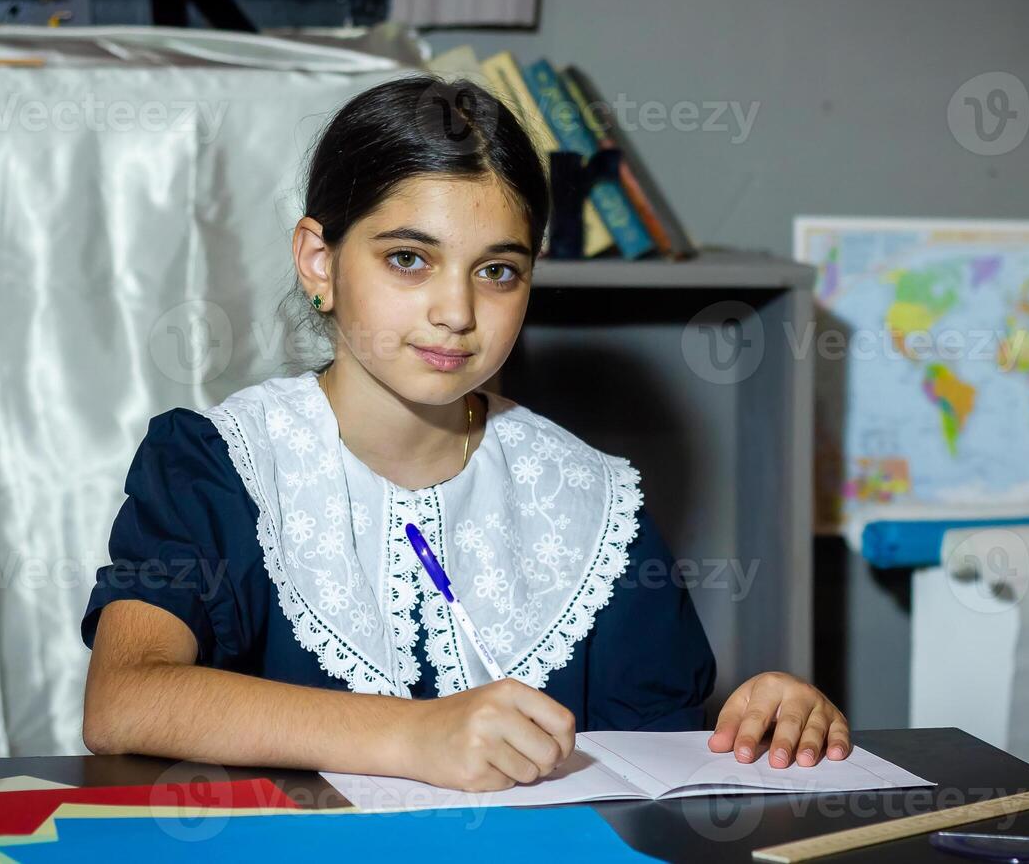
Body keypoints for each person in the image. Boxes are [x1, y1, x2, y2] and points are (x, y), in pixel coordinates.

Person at [80, 76, 850, 793]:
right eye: (409, 259)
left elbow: (648, 769)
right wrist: (413, 735)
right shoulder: (214, 465)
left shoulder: (592, 503)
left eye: (498, 272)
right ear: (319, 260)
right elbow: (125, 702)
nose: (456, 310)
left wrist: (755, 722)